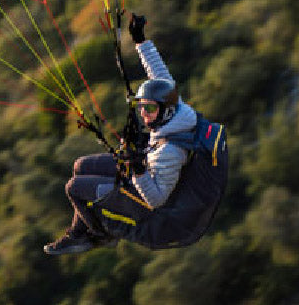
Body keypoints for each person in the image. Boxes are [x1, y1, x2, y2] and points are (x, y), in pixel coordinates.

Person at [43, 13, 200, 255]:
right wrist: (140, 40)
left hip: (142, 201)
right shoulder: (175, 107)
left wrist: (137, 170)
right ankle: (78, 233)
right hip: (145, 169)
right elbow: (158, 73)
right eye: (142, 107)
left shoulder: (170, 151)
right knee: (80, 166)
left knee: (74, 187)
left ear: (164, 111)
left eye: (149, 108)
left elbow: (156, 199)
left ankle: (99, 236)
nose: (144, 113)